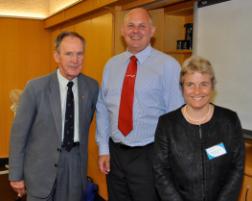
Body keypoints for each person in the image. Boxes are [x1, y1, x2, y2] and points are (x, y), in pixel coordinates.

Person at [96, 7, 184, 201]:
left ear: (152, 31)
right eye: (131, 26)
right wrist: (103, 149)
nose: (135, 31)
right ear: (122, 31)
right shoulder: (111, 65)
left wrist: (167, 160)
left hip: (150, 154)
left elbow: (176, 117)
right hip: (115, 154)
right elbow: (102, 108)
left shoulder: (168, 66)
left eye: (142, 26)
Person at [9, 31, 99, 201]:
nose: (75, 60)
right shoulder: (35, 88)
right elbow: (18, 134)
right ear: (56, 56)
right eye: (69, 54)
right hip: (40, 169)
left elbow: (88, 123)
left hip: (75, 166)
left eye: (79, 53)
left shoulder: (92, 87)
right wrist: (15, 174)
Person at [153, 55, 245, 201]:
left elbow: (237, 167)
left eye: (204, 84)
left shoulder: (229, 120)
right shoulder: (167, 124)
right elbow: (161, 171)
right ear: (182, 87)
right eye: (190, 84)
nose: (197, 91)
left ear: (212, 86)